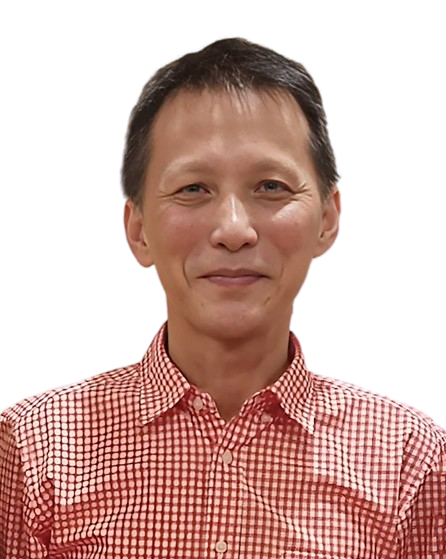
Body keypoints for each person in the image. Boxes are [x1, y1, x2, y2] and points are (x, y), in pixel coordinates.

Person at [1, 36, 444, 558]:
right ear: (137, 228)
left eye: (271, 186)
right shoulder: (34, 447)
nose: (234, 230)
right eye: (193, 189)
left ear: (328, 218)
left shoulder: (410, 457)